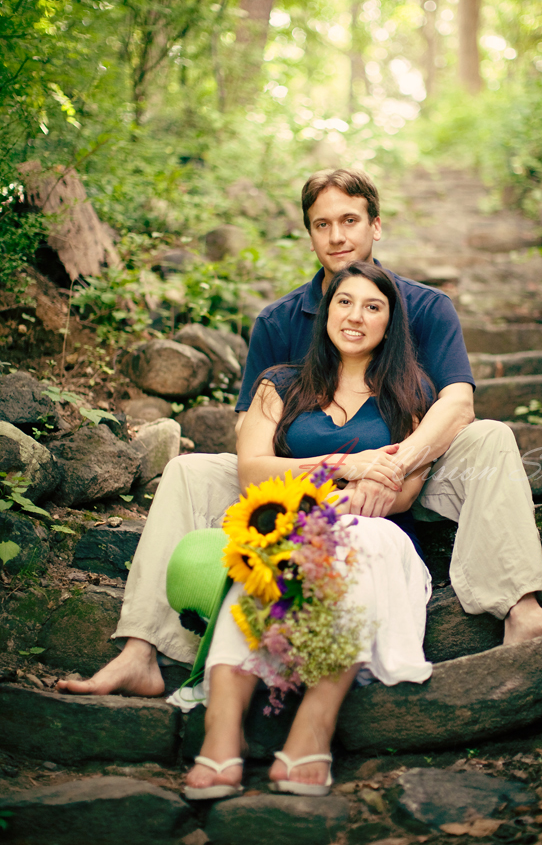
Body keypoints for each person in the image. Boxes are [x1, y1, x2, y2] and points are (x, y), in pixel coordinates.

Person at [56, 167, 542, 699]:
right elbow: (252, 434)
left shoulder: (424, 306)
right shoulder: (278, 322)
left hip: (413, 467)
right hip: (297, 473)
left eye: (349, 220)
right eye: (322, 224)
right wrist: (341, 471)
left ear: (375, 225)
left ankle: (521, 608)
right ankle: (142, 649)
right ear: (309, 234)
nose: (337, 235)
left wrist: (392, 464)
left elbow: (457, 403)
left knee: (489, 436)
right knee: (186, 470)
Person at [185, 262, 436, 798]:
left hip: (380, 533)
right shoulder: (280, 383)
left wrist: (350, 499)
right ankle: (221, 734)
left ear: (390, 324)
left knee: (356, 539)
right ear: (326, 312)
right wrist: (348, 466)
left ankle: (311, 731)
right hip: (288, 525)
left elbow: (406, 490)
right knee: (267, 553)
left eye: (374, 307)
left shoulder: (411, 390)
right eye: (345, 302)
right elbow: (252, 469)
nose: (356, 316)